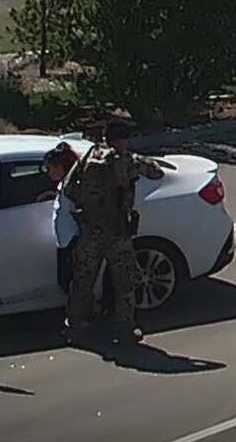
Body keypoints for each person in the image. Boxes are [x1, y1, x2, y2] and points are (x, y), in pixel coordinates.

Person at [63, 122, 163, 344]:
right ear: (122, 140)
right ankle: (125, 329)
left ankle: (76, 328)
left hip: (90, 229)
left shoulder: (88, 156)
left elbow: (69, 188)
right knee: (124, 281)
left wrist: (90, 205)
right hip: (116, 231)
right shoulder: (124, 159)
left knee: (82, 280)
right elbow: (157, 172)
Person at [46, 143, 81, 293]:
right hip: (65, 241)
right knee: (65, 282)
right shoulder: (65, 185)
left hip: (72, 241)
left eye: (51, 168)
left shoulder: (73, 188)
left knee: (71, 283)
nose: (48, 172)